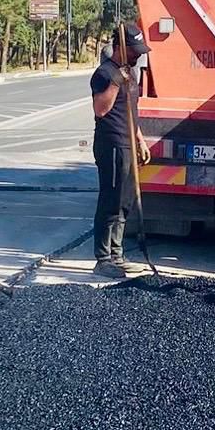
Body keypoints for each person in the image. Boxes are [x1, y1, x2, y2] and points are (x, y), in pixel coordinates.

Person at [91, 23, 151, 278]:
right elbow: (100, 109)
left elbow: (131, 112)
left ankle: (117, 254)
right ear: (121, 48)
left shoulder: (131, 73)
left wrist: (140, 140)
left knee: (124, 203)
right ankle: (103, 259)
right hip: (111, 144)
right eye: (134, 51)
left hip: (128, 142)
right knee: (110, 200)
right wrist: (117, 82)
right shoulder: (105, 74)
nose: (138, 55)